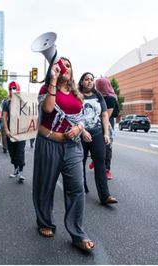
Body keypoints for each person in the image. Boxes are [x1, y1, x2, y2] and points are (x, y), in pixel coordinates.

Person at [32, 57, 94, 252]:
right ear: (54, 69)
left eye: (68, 65)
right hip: (49, 144)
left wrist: (79, 127)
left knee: (76, 188)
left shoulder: (77, 94)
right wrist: (52, 80)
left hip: (73, 147)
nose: (65, 67)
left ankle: (77, 234)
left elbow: (81, 117)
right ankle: (45, 222)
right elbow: (48, 108)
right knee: (45, 186)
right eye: (61, 65)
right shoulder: (46, 89)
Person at [79, 72, 118, 204]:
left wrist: (106, 133)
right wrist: (83, 131)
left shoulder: (98, 95)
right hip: (81, 134)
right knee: (80, 162)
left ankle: (105, 196)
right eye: (86, 79)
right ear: (82, 82)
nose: (89, 81)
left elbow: (104, 115)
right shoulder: (77, 95)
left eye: (91, 79)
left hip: (97, 133)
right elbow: (74, 115)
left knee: (100, 163)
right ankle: (81, 188)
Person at [1, 81, 27, 182]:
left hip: (21, 132)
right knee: (12, 152)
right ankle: (16, 168)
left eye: (14, 88)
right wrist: (6, 130)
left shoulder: (23, 101)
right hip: (10, 132)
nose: (12, 90)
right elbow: (4, 117)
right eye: (11, 88)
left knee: (20, 151)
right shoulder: (6, 103)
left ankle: (21, 171)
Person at [96, 77, 119, 180]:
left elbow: (107, 116)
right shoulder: (97, 97)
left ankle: (107, 170)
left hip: (107, 124)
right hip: (97, 123)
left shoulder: (110, 98)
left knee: (107, 146)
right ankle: (96, 161)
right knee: (97, 146)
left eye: (98, 85)